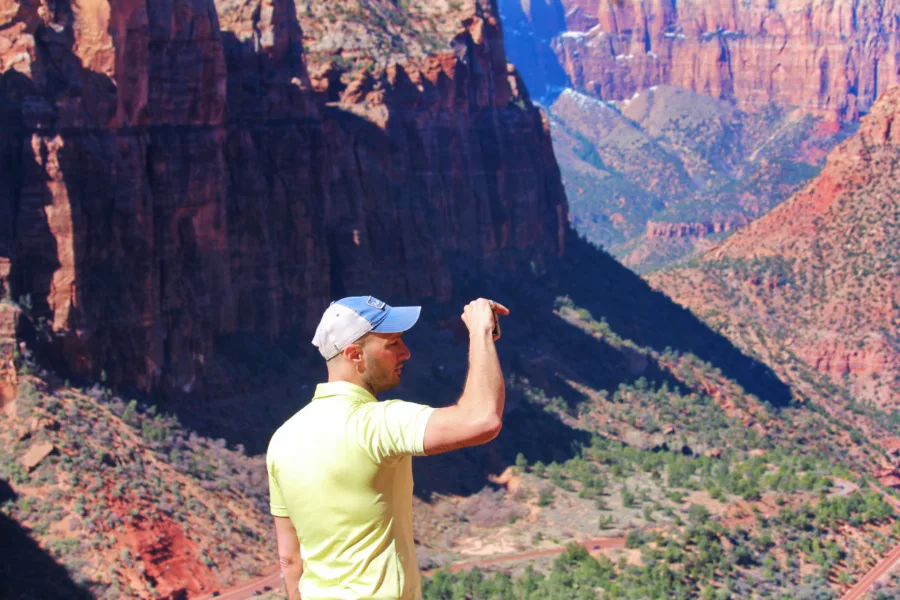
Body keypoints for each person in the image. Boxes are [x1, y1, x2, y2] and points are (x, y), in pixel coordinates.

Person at [266, 295, 509, 600]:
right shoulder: (376, 424)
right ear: (355, 355)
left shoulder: (282, 439)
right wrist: (480, 332)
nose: (406, 353)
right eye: (392, 343)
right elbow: (482, 419)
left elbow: (290, 560)